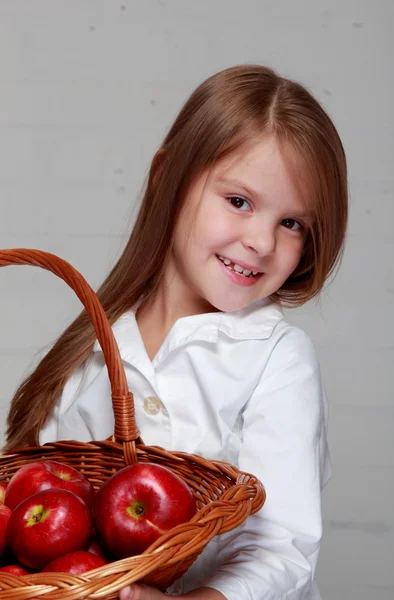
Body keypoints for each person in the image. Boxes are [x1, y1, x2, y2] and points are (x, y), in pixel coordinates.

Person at [4, 64, 348, 600]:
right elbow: (37, 516)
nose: (261, 240)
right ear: (167, 177)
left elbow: (281, 548)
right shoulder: (92, 351)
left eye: (292, 223)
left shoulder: (277, 359)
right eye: (239, 201)